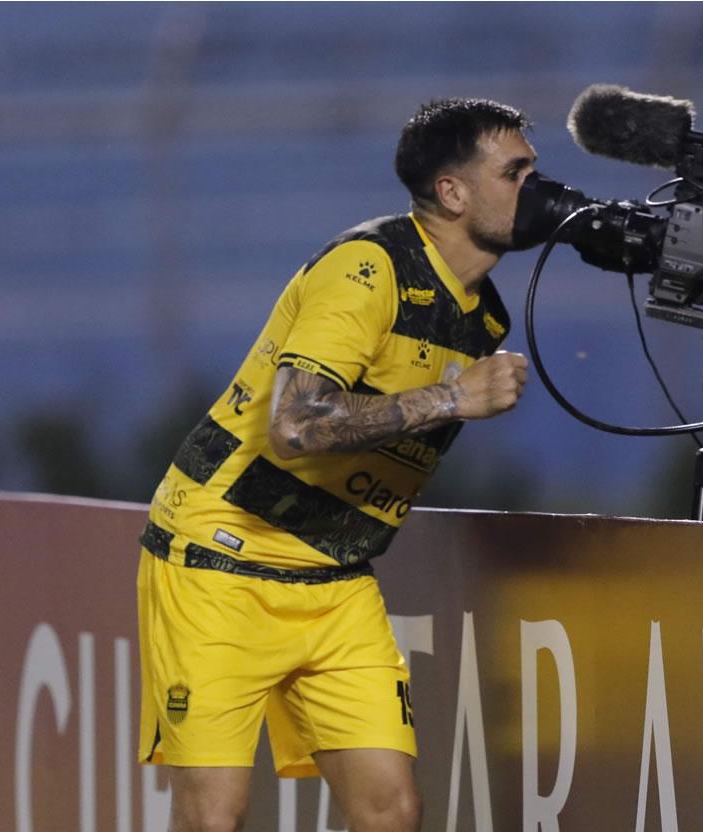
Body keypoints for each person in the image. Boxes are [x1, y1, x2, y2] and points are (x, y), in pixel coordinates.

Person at [136, 98, 535, 831]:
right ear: (452, 191)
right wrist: (451, 397)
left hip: (333, 576)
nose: (534, 190)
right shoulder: (367, 267)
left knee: (392, 809)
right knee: (213, 816)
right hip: (220, 560)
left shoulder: (487, 316)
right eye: (515, 173)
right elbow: (294, 426)